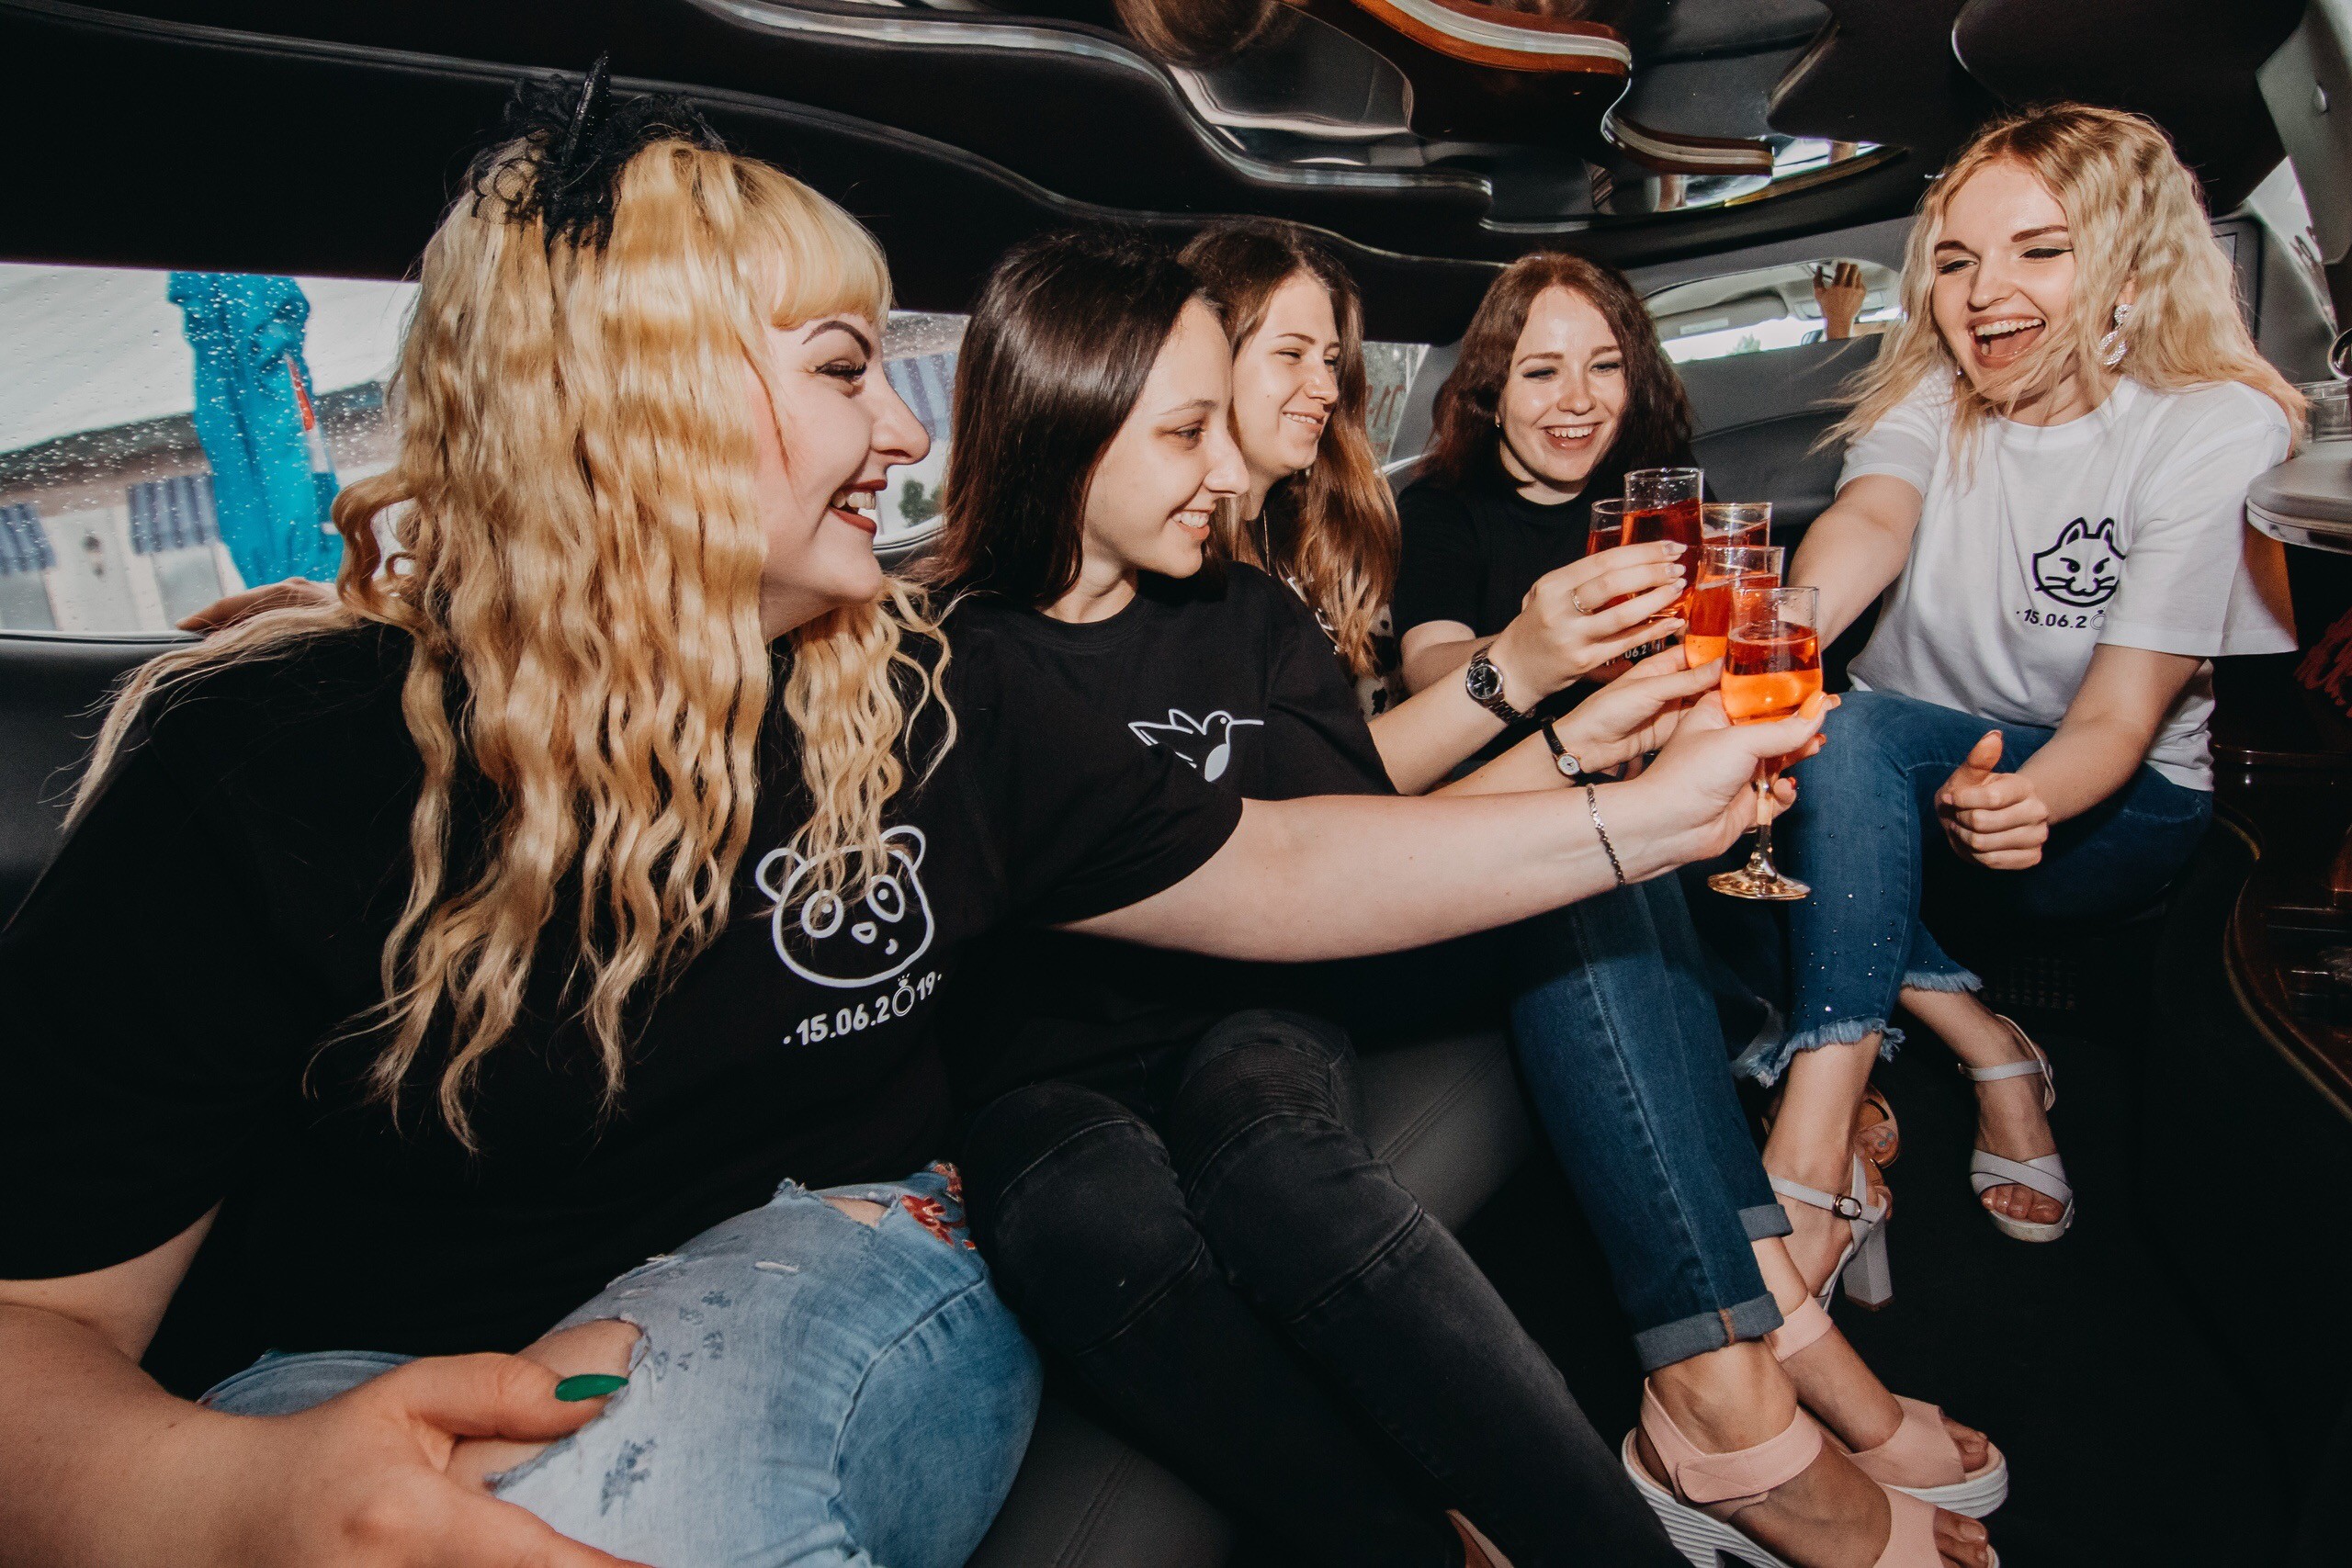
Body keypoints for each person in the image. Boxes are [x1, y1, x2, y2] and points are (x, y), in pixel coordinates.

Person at [0, 89, 1821, 1568]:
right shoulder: (261, 760)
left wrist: (1645, 812)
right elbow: (40, 1329)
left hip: (831, 1254)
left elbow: (1279, 854)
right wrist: (222, 1500)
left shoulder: (923, 691)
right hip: (327, 1373)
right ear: (637, 398)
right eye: (840, 367)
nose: (898, 425)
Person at [933, 225, 1999, 1568]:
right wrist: (1610, 783)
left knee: (1285, 1169)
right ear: (1067, 423)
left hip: (1252, 1012)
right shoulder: (949, 662)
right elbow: (1284, 861)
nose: (1239, 462)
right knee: (1091, 1223)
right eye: (1193, 428)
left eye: (1325, 363)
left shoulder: (1249, 617)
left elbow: (1357, 823)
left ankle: (1676, 1458)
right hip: (1050, 1065)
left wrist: (1588, 748)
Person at [1756, 102, 2303, 1303]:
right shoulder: (1931, 392)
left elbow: (2117, 721)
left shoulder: (2215, 425)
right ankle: (1977, 1055)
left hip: (2110, 802)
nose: (1983, 292)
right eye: (1956, 260)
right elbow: (1871, 518)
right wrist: (1778, 636)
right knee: (1739, 796)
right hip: (1885, 773)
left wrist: (2029, 797)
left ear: (2132, 269)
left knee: (1830, 763)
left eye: (2039, 250)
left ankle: (1807, 1157)